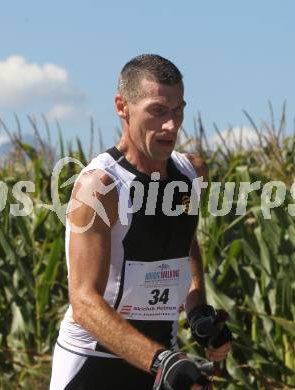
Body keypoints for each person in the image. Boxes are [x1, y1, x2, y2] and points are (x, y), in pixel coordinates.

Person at [50, 54, 232, 390]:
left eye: (178, 110)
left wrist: (198, 312)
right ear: (123, 106)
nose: (171, 125)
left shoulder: (192, 174)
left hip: (160, 360)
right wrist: (162, 361)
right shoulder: (101, 187)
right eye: (157, 111)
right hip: (93, 364)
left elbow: (184, 245)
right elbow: (84, 302)